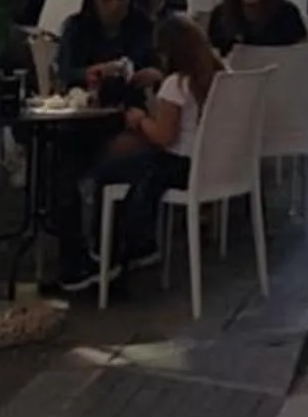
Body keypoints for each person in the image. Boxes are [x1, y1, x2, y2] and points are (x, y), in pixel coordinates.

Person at [91, 14, 223, 270]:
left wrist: (140, 120)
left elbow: (164, 136)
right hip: (211, 163)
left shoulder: (176, 84)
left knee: (108, 169)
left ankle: (110, 245)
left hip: (180, 165)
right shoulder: (217, 76)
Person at [56, 0, 159, 97]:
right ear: (93, 0)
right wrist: (90, 73)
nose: (115, 5)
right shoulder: (76, 28)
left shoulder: (144, 28)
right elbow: (64, 72)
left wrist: (155, 74)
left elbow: (160, 66)